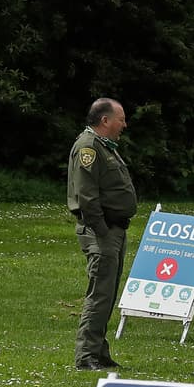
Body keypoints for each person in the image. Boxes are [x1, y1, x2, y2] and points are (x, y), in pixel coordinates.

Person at [67, 97, 137, 371]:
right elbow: (87, 196)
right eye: (121, 119)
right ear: (105, 120)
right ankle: (86, 356)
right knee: (99, 294)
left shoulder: (105, 146)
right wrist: (102, 230)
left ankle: (99, 352)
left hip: (114, 229)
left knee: (108, 294)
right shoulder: (89, 147)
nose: (124, 125)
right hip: (102, 231)